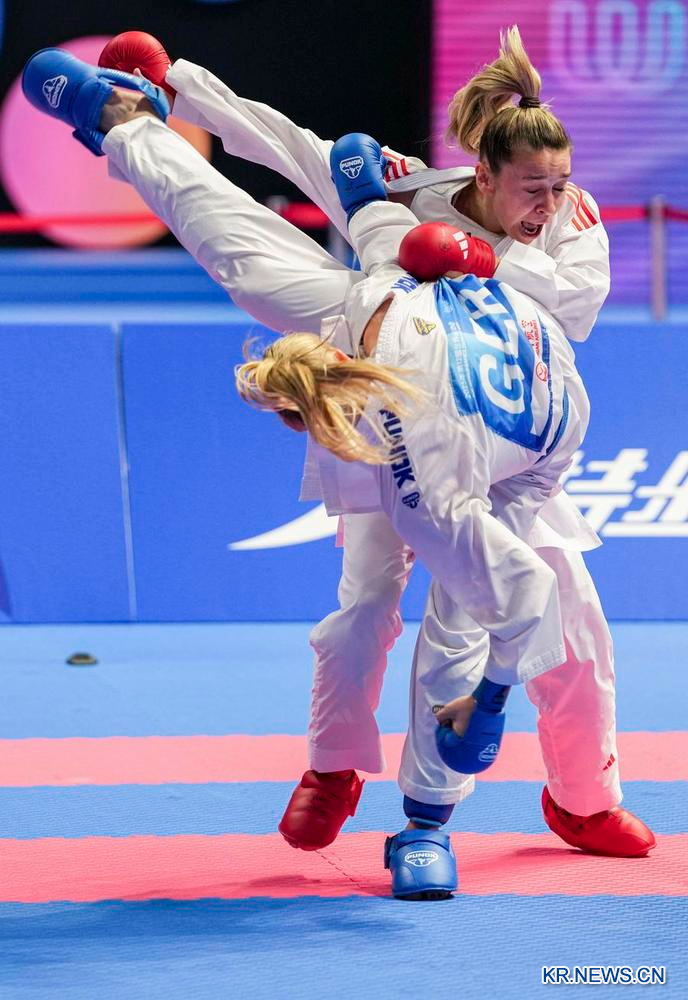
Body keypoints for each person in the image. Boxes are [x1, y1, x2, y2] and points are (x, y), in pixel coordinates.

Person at [22, 32, 655, 897]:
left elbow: (574, 304)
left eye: (559, 186)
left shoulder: (568, 222)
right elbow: (291, 145)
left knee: (568, 627)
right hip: (394, 397)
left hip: (506, 428)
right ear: (482, 174)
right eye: (531, 190)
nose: (549, 204)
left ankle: (578, 800)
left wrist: (471, 254)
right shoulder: (411, 192)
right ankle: (341, 771)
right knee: (364, 606)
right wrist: (188, 86)